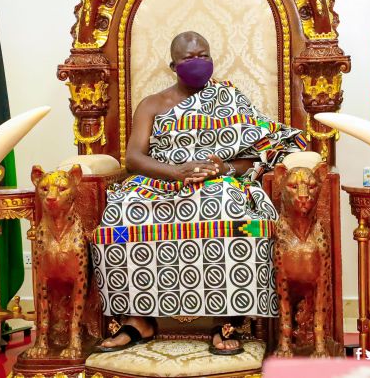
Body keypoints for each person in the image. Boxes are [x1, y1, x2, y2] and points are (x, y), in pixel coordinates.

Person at [92, 31, 306, 354]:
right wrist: (176, 172)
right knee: (122, 210)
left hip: (215, 184)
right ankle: (139, 319)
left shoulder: (230, 99)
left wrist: (224, 168)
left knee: (229, 208)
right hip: (161, 182)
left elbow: (261, 153)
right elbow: (134, 158)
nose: (198, 62)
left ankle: (227, 319)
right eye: (189, 58)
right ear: (173, 65)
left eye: (203, 55)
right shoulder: (152, 104)